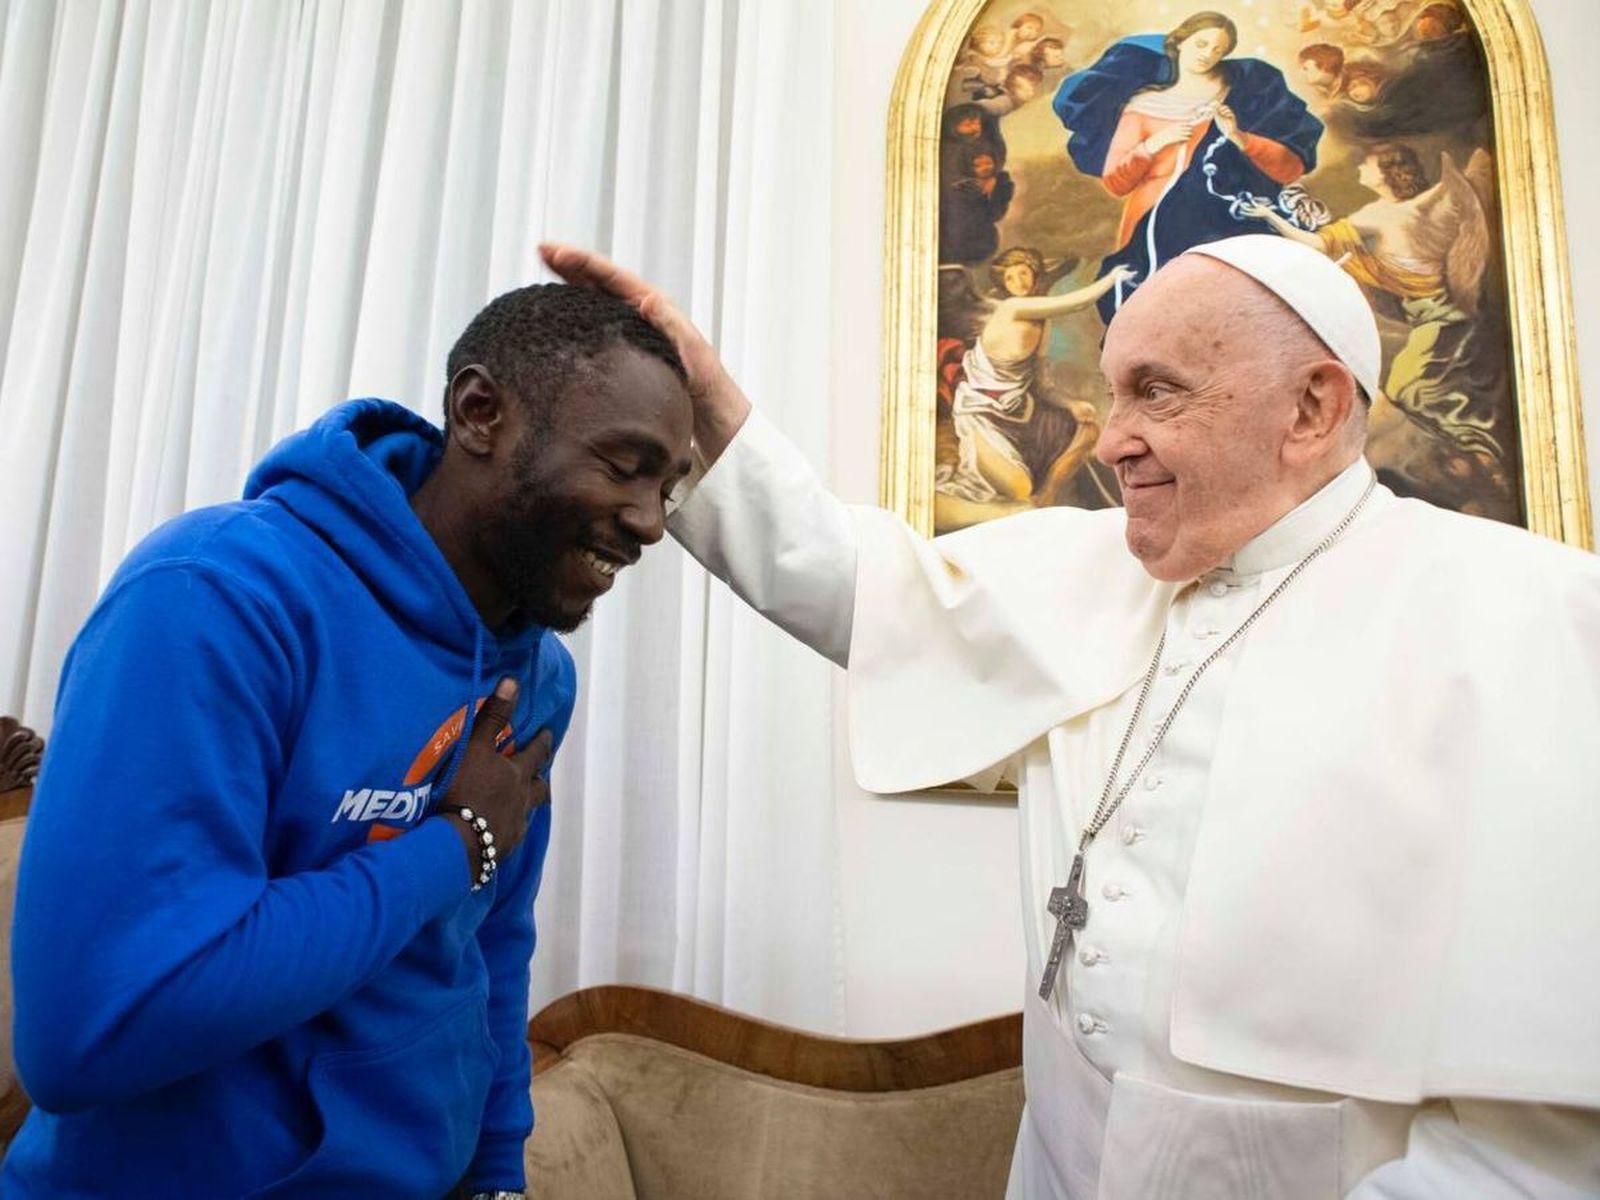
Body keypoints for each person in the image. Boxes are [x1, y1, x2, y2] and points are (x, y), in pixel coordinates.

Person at [543, 236, 1600, 1198]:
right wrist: (710, 403)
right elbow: (850, 579)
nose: (1111, 441)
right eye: (1109, 395)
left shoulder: (1527, 616)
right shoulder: (1088, 568)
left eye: (1157, 392)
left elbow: (1536, 1136)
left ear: (1312, 409)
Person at [4, 286, 694, 1197]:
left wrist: (495, 1174)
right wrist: (453, 845)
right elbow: (93, 1033)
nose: (650, 521)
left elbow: (487, 950)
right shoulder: (214, 598)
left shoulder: (538, 677)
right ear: (481, 413)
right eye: (624, 464)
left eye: (669, 485)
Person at [1053, 12, 1323, 321]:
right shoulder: (1144, 105)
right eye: (1202, 44)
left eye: (1218, 50)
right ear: (1180, 42)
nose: (1208, 55)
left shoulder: (1237, 99)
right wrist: (1153, 145)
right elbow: (1116, 183)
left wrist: (1239, 137)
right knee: (1162, 304)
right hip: (1153, 217)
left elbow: (1287, 169)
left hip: (1219, 214)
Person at [934, 248, 1131, 527]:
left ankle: (1047, 498)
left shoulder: (1040, 322)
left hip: (1021, 410)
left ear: (1034, 274)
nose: (1019, 282)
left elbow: (1041, 383)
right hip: (984, 414)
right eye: (1011, 277)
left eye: (1024, 273)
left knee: (1087, 431)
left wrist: (1071, 404)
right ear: (1004, 284)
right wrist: (1110, 279)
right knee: (1019, 489)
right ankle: (1022, 502)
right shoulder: (1011, 309)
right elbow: (1073, 303)